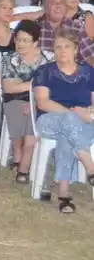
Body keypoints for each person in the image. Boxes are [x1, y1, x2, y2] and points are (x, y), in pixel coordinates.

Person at [32, 29, 94, 213]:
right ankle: (90, 168)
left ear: (76, 49)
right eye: (58, 47)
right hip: (49, 120)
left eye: (67, 46)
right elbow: (42, 103)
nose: (62, 50)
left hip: (84, 123)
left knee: (67, 133)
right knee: (69, 121)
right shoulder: (44, 71)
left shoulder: (89, 72)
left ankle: (63, 192)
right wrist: (74, 114)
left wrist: (87, 113)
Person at [0, 20, 53, 184]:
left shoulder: (48, 59)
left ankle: (24, 162)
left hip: (40, 100)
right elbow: (9, 88)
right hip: (15, 98)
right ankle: (18, 152)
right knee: (16, 109)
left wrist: (32, 100)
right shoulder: (9, 59)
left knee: (34, 113)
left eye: (25, 40)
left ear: (35, 42)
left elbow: (53, 88)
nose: (20, 44)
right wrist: (34, 85)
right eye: (18, 39)